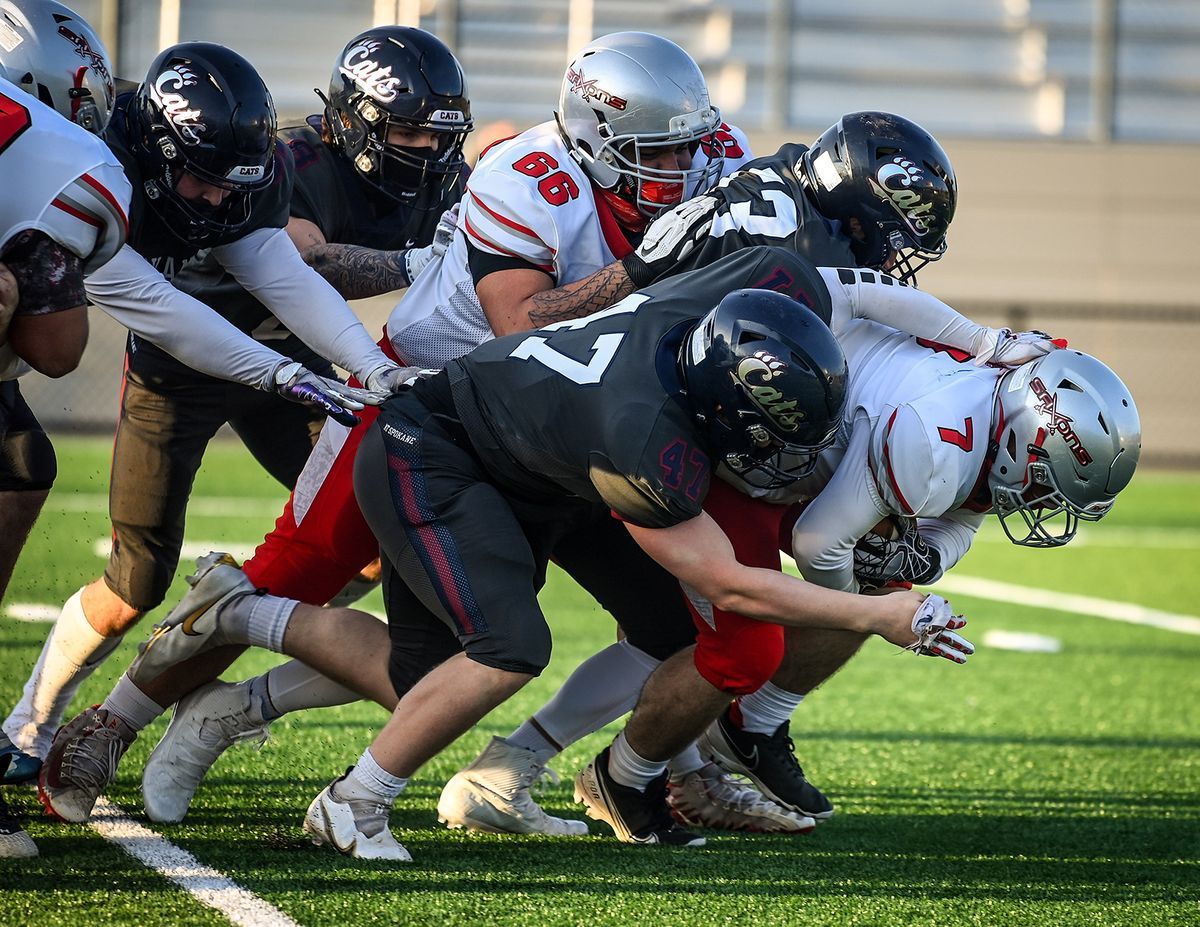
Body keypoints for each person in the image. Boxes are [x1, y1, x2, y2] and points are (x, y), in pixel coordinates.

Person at [73, 30, 779, 836]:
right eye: (658, 151)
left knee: (580, 638)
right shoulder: (531, 176)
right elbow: (517, 323)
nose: (682, 169)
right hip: (427, 403)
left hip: (568, 432)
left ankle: (506, 767)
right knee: (295, 573)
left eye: (689, 146)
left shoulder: (713, 154)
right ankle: (114, 721)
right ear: (594, 138)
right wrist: (643, 267)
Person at [438, 110, 965, 830]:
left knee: (763, 604)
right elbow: (539, 324)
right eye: (891, 226)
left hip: (703, 434)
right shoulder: (787, 243)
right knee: (735, 636)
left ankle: (711, 749)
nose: (898, 249)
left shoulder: (788, 195)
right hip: (649, 433)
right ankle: (571, 769)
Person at [2, 38, 419, 761]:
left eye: (237, 183)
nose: (224, 198)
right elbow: (161, 309)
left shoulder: (246, 172)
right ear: (157, 151)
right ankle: (28, 728)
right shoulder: (95, 169)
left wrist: (364, 364)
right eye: (205, 181)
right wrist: (280, 373)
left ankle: (213, 654)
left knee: (365, 530)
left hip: (286, 363)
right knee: (137, 579)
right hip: (179, 367)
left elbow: (280, 273)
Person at [698, 333, 1142, 818]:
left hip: (801, 468)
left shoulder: (990, 425)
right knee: (730, 645)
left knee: (885, 577)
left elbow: (966, 517)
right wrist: (865, 612)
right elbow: (818, 545)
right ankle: (647, 775)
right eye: (1046, 484)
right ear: (1025, 437)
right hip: (733, 456)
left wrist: (925, 559)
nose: (1045, 504)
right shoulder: (936, 442)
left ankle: (753, 728)